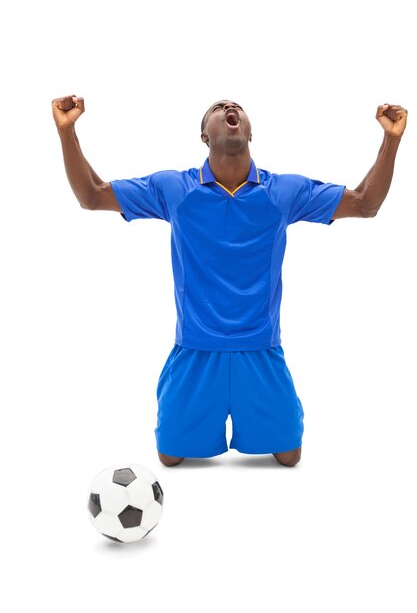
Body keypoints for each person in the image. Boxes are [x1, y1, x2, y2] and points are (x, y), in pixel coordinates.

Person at [52, 95, 407, 467]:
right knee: (170, 457)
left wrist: (392, 139)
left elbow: (366, 203)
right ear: (204, 135)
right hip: (196, 348)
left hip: (260, 348)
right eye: (218, 109)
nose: (228, 109)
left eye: (235, 107)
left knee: (289, 456)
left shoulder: (284, 191)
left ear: (250, 132)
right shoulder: (175, 189)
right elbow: (91, 196)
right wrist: (67, 131)